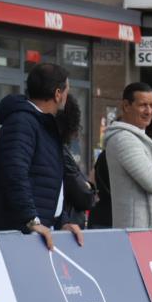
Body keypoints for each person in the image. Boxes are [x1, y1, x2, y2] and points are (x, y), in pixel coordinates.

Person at [0, 63, 83, 249]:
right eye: (67, 90)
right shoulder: (22, 122)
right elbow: (14, 173)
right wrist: (31, 220)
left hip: (41, 230)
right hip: (23, 234)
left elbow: (50, 182)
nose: (67, 96)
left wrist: (62, 221)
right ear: (58, 94)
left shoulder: (45, 124)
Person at [104, 82, 152, 230]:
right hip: (136, 232)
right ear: (126, 106)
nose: (149, 111)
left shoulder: (136, 137)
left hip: (148, 229)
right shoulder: (124, 139)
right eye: (143, 105)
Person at [55, 93, 96, 229]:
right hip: (66, 225)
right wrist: (89, 187)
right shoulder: (61, 152)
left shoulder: (58, 149)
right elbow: (84, 196)